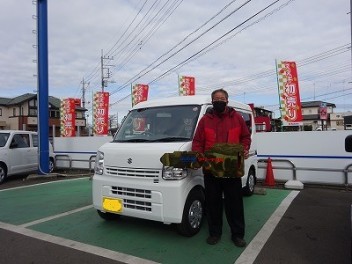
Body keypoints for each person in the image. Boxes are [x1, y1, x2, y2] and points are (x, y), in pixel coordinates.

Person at [192, 88, 251, 247]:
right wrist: (199, 156)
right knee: (213, 204)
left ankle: (237, 234)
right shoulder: (205, 120)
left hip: (232, 169)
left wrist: (244, 148)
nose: (219, 100)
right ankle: (214, 233)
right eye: (216, 98)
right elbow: (197, 142)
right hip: (211, 169)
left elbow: (245, 137)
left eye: (222, 98)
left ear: (227, 100)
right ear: (212, 101)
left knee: (235, 204)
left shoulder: (237, 118)